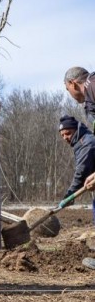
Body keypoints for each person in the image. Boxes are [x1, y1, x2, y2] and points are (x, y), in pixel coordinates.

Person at [59, 115, 95, 271]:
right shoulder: (82, 141)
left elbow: (81, 172)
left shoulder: (85, 143)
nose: (65, 138)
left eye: (67, 133)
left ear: (75, 130)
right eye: (62, 135)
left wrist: (69, 195)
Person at [64, 67, 95, 131]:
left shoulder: (92, 85)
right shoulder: (90, 91)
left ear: (72, 84)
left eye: (68, 89)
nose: (70, 94)